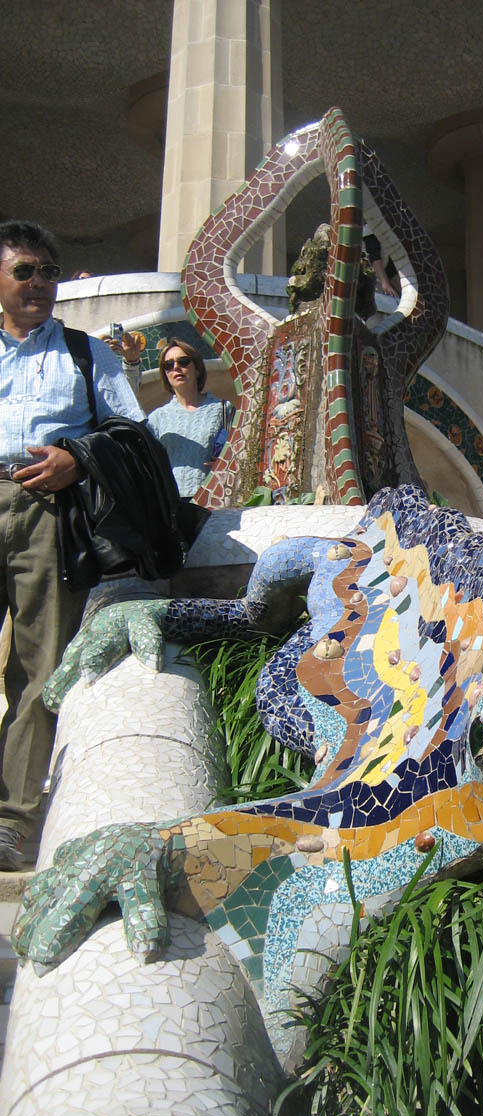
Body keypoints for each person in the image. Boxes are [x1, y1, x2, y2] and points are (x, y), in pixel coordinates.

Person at [0, 219, 144, 870]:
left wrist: (77, 458)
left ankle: (13, 823)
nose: (39, 283)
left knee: (38, 669)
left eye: (48, 272)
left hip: (48, 511)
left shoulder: (87, 355)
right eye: (24, 271)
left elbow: (133, 433)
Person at [148, 339, 233, 499]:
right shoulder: (156, 418)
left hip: (212, 499)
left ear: (197, 369)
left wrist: (227, 463)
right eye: (168, 365)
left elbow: (243, 454)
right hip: (172, 502)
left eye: (183, 361)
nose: (176, 367)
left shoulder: (224, 409)